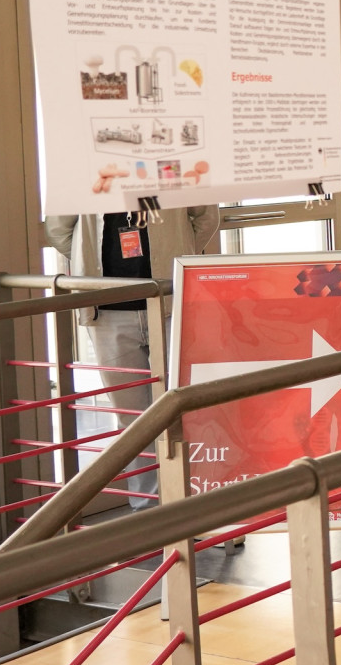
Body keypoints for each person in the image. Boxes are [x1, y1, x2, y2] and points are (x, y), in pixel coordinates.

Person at [44, 207, 220, 508]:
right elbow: (59, 230)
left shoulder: (169, 166)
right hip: (108, 309)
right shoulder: (85, 170)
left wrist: (177, 251)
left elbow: (205, 218)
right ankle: (148, 512)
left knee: (183, 409)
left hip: (169, 301)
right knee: (133, 418)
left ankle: (193, 509)